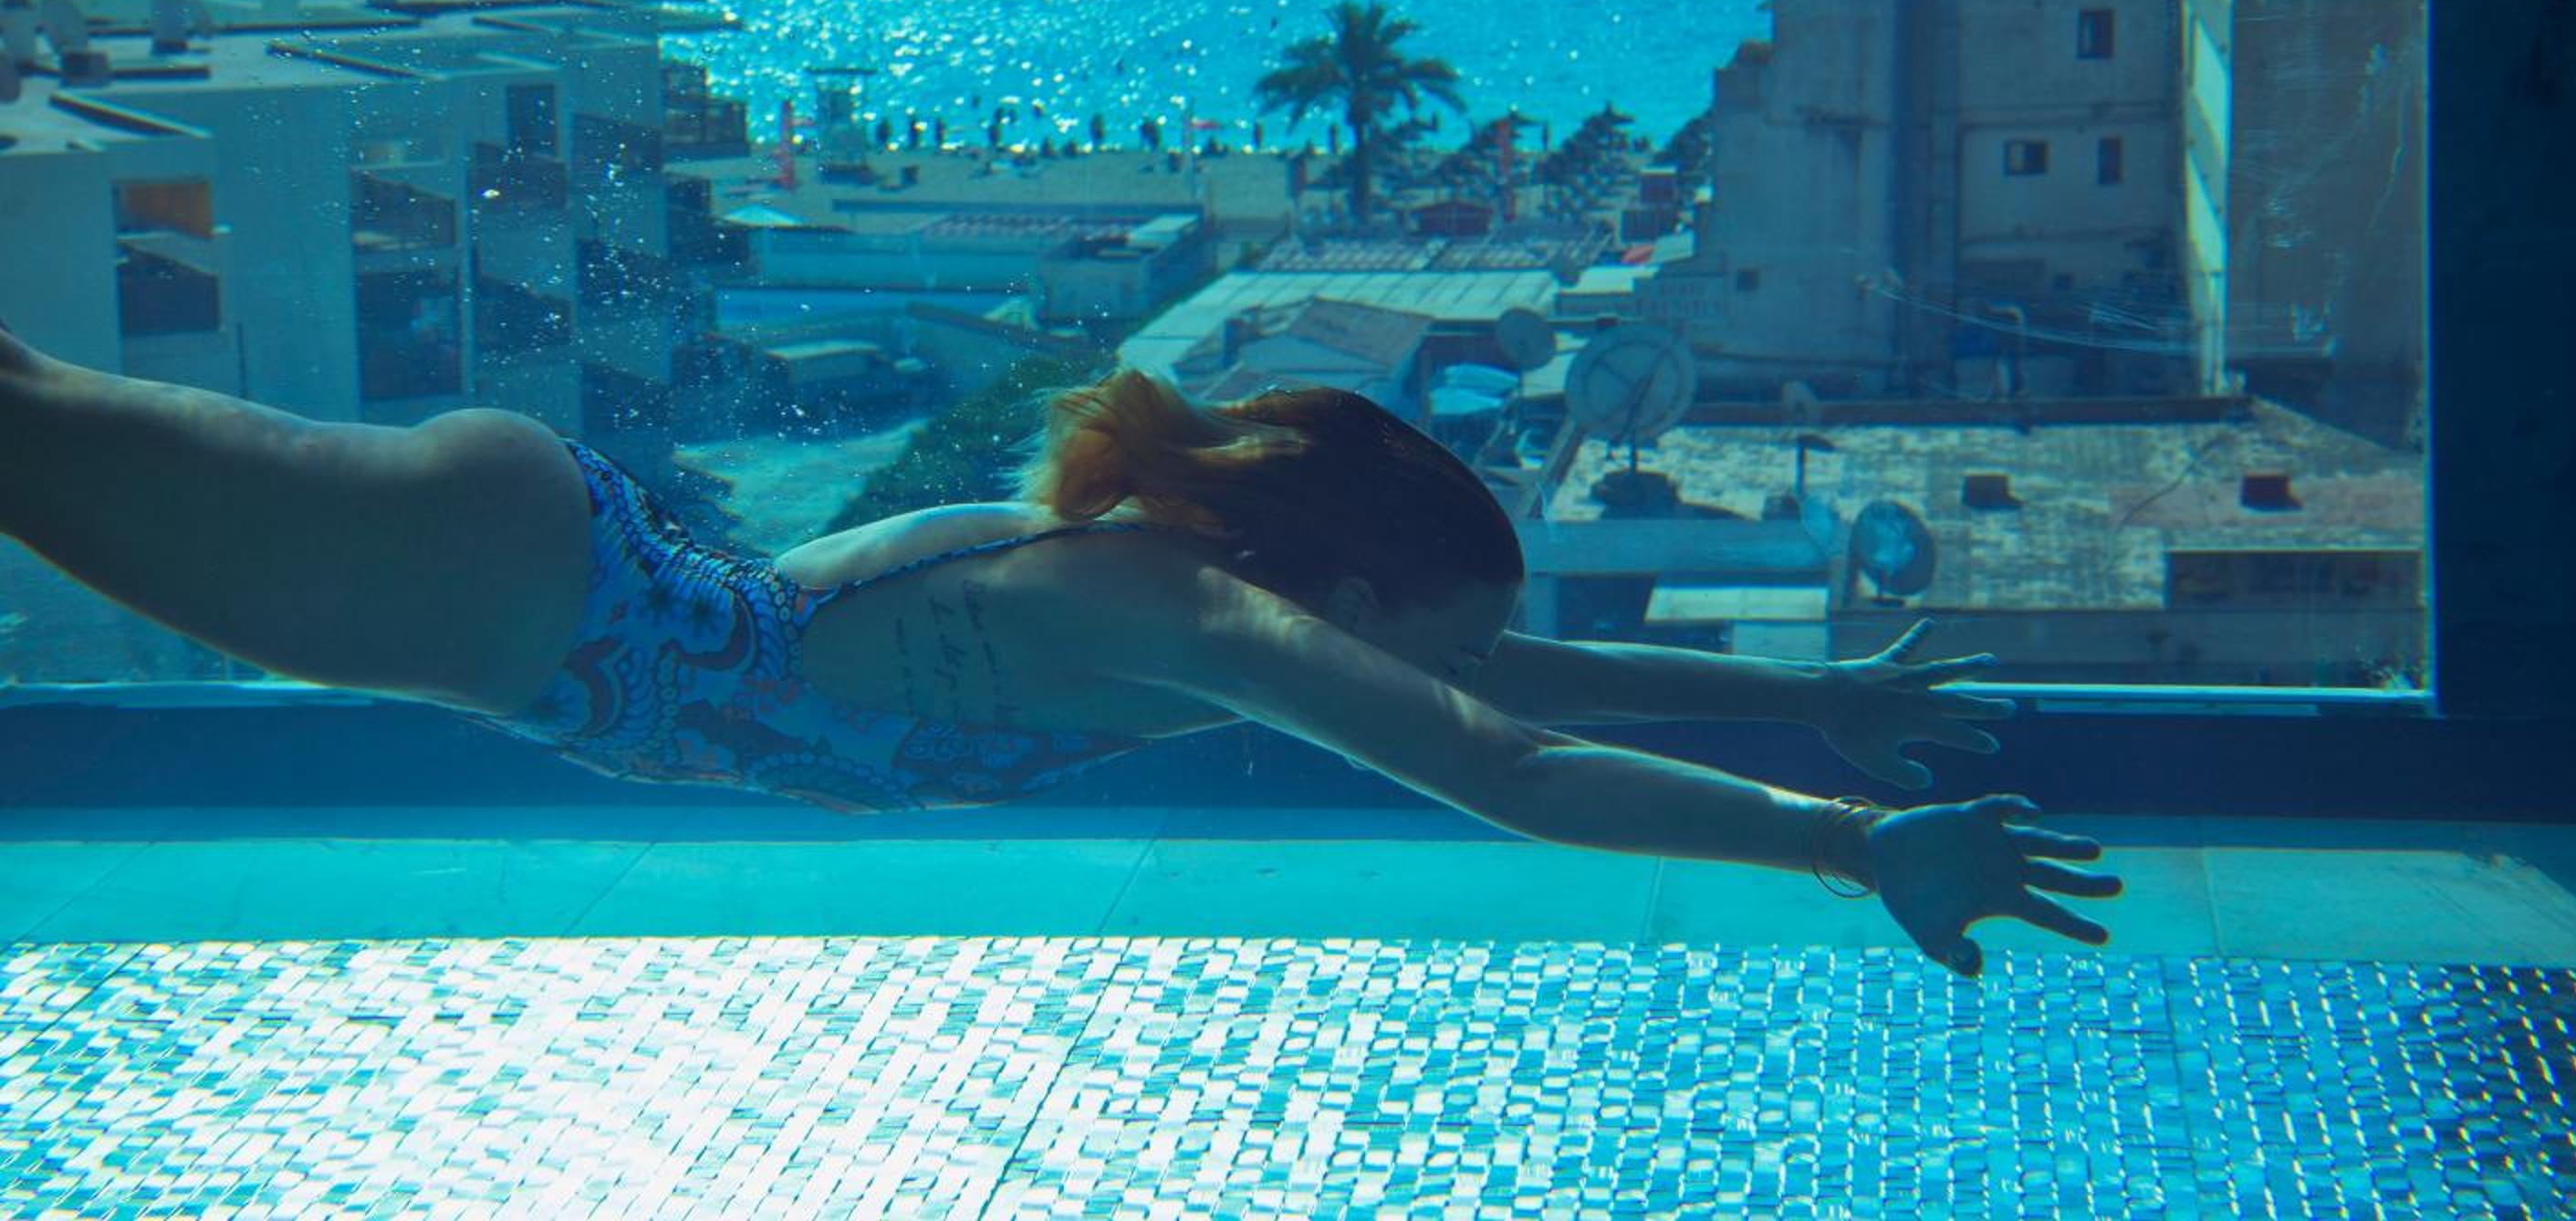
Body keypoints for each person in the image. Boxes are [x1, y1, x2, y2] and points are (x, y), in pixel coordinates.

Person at [0, 329, 2118, 977]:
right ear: (1345, 602)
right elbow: (1511, 762)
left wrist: (1814, 700)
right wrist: (1848, 841)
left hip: (537, 597)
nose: (1456, 678)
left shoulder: (1169, 595)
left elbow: (1511, 701)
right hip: (537, 600)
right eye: (1439, 645)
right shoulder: (1175, 611)